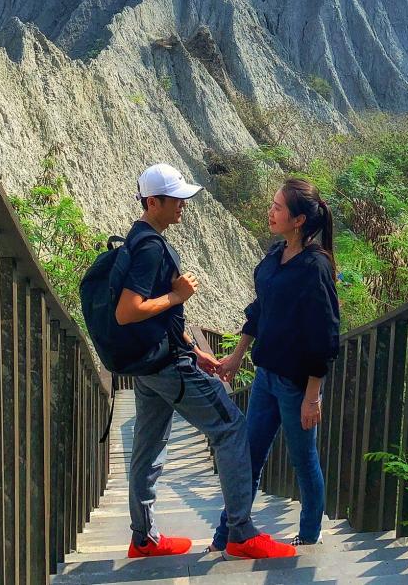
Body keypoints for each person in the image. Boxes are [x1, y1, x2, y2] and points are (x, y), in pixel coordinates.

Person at [117, 162, 296, 561]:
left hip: (148, 363)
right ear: (152, 202)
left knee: (148, 446)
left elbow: (159, 316)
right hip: (165, 366)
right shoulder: (150, 247)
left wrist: (193, 348)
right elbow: (128, 311)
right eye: (176, 199)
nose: (183, 205)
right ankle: (241, 532)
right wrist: (177, 296)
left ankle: (143, 538)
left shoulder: (137, 237)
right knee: (231, 427)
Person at [209, 177, 340, 552]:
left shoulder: (314, 267)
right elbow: (259, 310)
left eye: (278, 207)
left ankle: (309, 536)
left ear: (298, 220)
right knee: (247, 459)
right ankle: (227, 535)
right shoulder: (275, 254)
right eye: (273, 205)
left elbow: (325, 334)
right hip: (266, 377)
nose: (270, 212)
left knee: (303, 461)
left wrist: (312, 396)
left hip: (296, 385)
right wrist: (237, 355)